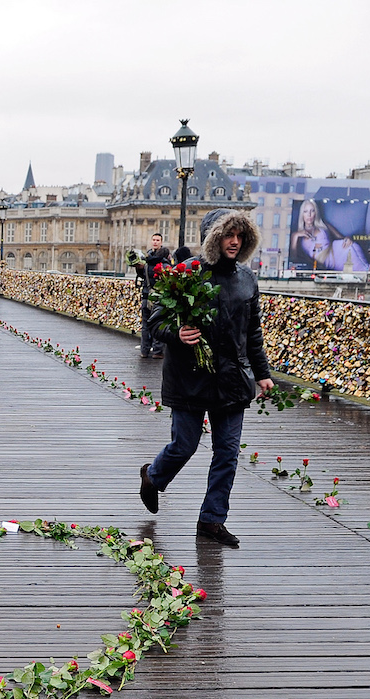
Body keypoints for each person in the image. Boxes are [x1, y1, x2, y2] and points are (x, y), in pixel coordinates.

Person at [139, 208, 274, 548]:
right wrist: (177, 333)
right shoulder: (188, 274)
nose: (235, 241)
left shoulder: (247, 279)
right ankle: (153, 477)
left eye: (240, 236)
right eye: (228, 235)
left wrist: (262, 374)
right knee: (185, 444)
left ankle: (212, 521)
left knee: (227, 452)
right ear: (214, 238)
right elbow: (155, 322)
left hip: (232, 380)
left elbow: (252, 333)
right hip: (190, 377)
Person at [290, 198, 370, 272]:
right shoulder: (297, 235)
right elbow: (293, 259)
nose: (309, 215)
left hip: (344, 250)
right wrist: (295, 236)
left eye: (312, 211)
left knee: (368, 271)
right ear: (302, 214)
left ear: (316, 212)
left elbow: (341, 237)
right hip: (330, 263)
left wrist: (347, 239)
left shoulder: (323, 225)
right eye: (306, 211)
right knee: (366, 271)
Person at [139, 233, 172, 358]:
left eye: (157, 240)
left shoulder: (146, 263)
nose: (155, 242)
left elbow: (143, 276)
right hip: (159, 298)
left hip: (147, 296)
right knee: (160, 323)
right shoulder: (165, 265)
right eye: (154, 239)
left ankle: (144, 350)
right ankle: (158, 351)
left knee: (145, 325)